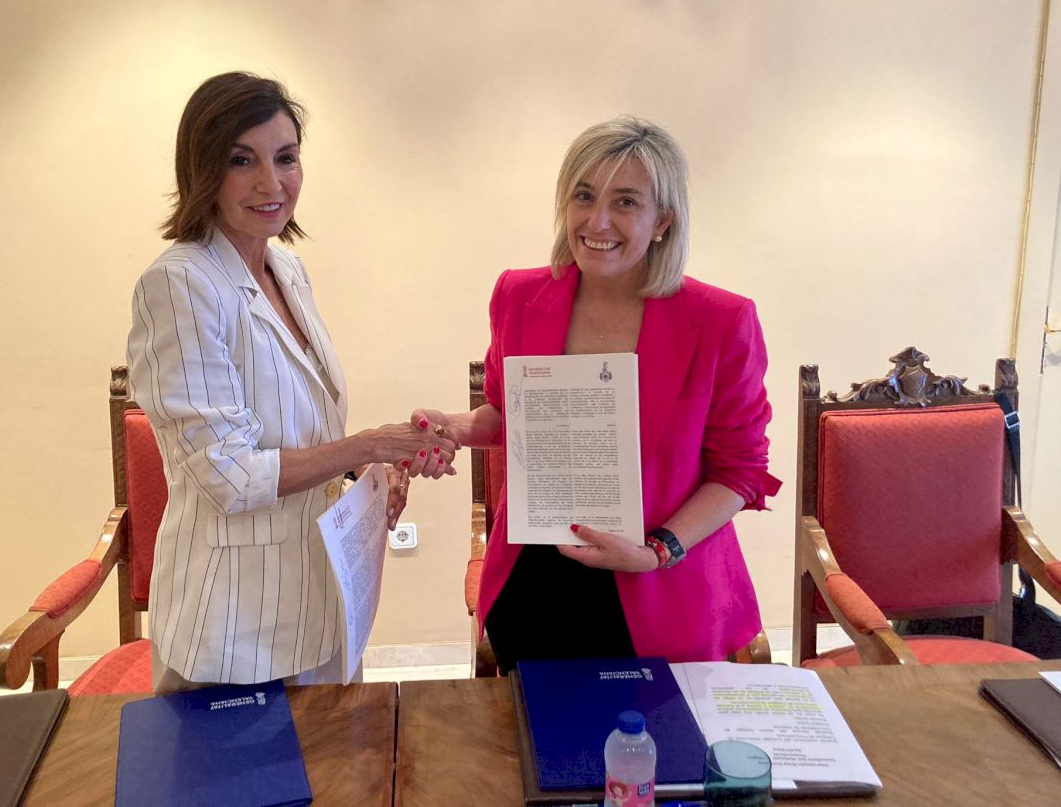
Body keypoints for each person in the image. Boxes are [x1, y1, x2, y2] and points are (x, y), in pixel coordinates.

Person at [411, 118, 780, 672]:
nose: (597, 221)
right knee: (529, 727)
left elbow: (740, 471)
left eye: (625, 202)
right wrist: (453, 427)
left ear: (663, 221)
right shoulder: (518, 294)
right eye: (584, 196)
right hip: (535, 580)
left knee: (657, 729)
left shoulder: (722, 320)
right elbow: (508, 414)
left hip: (659, 586)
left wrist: (657, 552)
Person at [127, 72, 455, 691]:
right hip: (234, 623)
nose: (271, 183)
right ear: (202, 170)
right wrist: (369, 445)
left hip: (322, 598)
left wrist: (369, 473)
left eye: (286, 158)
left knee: (339, 754)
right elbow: (229, 475)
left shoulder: (287, 268)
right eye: (241, 160)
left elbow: (306, 429)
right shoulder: (179, 284)